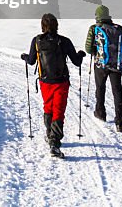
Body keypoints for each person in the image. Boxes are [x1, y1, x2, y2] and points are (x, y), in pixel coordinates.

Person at [21, 13, 85, 157]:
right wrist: (80, 54)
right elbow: (77, 62)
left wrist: (24, 57)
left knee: (48, 107)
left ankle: (50, 135)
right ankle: (54, 142)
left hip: (45, 82)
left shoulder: (37, 40)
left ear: (43, 26)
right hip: (61, 82)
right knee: (59, 110)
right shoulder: (65, 41)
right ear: (56, 25)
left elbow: (31, 61)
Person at [83, 4, 122, 132]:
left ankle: (100, 113)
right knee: (117, 92)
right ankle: (120, 122)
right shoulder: (119, 28)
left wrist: (95, 51)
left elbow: (88, 48)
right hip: (116, 65)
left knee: (100, 88)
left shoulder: (94, 28)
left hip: (100, 64)